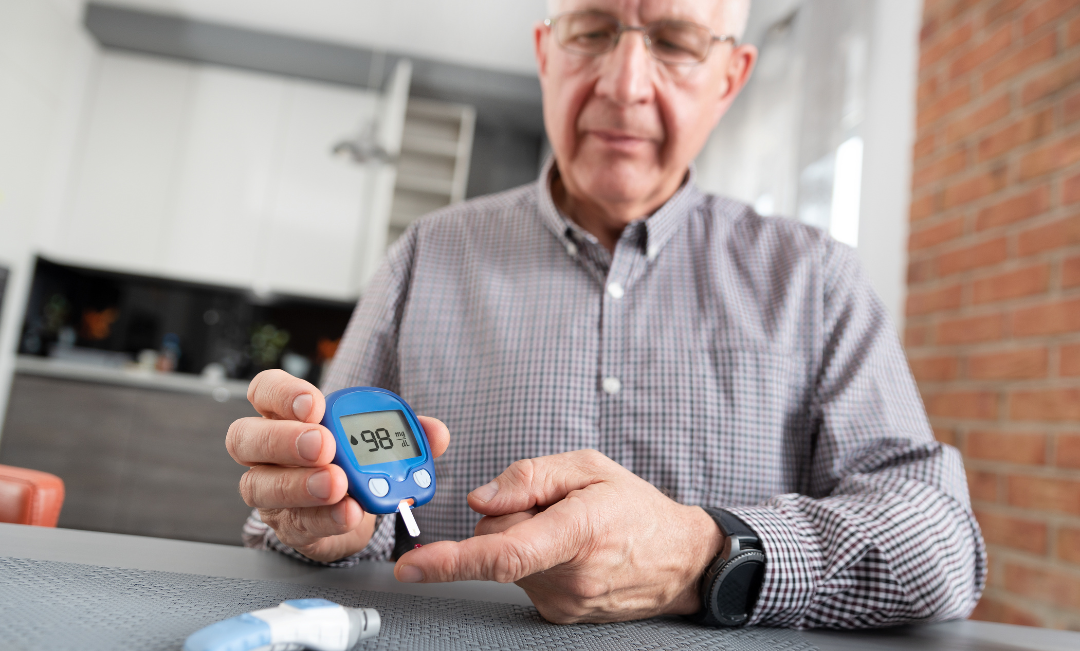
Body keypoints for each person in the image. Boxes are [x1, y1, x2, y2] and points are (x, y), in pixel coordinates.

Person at [228, 0, 986, 628]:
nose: (623, 84)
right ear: (545, 52)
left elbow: (944, 543)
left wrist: (704, 555)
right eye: (591, 31)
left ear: (731, 75)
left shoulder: (818, 282)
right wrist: (319, 524)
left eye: (674, 41)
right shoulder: (426, 255)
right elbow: (310, 513)